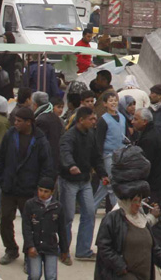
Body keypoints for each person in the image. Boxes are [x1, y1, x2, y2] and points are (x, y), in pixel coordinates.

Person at [0, 105, 53, 265]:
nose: (16, 123)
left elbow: (46, 165)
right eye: (15, 120)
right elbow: (1, 157)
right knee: (5, 219)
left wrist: (42, 187)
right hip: (9, 187)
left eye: (19, 121)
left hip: (29, 189)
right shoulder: (10, 135)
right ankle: (11, 249)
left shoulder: (40, 140)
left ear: (29, 122)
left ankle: (29, 255)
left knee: (31, 225)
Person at [58, 106, 105, 262]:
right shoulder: (68, 137)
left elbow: (96, 157)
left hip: (84, 180)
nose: (94, 121)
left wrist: (103, 174)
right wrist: (71, 165)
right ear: (81, 120)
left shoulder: (91, 135)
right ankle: (63, 250)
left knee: (90, 213)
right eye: (91, 119)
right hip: (69, 181)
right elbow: (65, 152)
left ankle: (83, 250)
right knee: (68, 216)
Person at [94, 192, 161, 280]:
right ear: (126, 201)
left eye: (139, 201)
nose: (138, 205)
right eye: (134, 201)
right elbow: (104, 247)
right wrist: (121, 267)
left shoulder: (142, 220)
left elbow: (154, 248)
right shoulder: (112, 219)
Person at [22, 176, 69, 278]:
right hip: (35, 245)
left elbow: (62, 230)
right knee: (34, 275)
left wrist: (64, 249)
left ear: (52, 192)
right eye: (40, 190)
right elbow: (26, 227)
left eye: (46, 191)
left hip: (51, 246)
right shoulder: (30, 204)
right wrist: (30, 246)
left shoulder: (58, 207)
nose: (42, 194)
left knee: (51, 276)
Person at [93, 90, 127, 210]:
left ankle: (91, 207)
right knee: (113, 185)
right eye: (110, 101)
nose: (113, 103)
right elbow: (99, 141)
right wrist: (99, 160)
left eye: (115, 100)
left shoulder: (122, 117)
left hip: (121, 155)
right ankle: (117, 210)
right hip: (108, 155)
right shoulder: (103, 120)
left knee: (105, 185)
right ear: (105, 104)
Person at [131, 109, 161, 203]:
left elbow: (144, 164)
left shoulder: (148, 139)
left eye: (136, 119)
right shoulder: (153, 132)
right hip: (155, 183)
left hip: (152, 185)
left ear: (144, 122)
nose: (132, 121)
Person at [35, 96, 64, 174]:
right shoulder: (46, 120)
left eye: (62, 107)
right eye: (58, 107)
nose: (61, 110)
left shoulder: (60, 121)